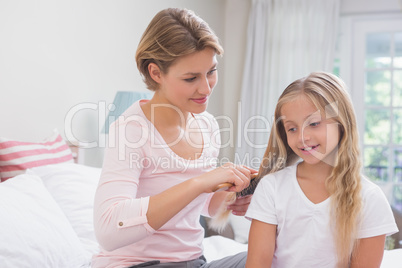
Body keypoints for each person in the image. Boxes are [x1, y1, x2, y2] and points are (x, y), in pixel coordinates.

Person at [92, 8, 254, 268]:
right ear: (156, 73)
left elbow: (205, 206)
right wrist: (200, 182)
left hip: (193, 261)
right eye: (191, 78)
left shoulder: (208, 125)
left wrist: (233, 195)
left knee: (272, 257)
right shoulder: (131, 130)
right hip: (135, 264)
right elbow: (109, 229)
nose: (206, 88)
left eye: (211, 71)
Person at [245, 72, 399, 268]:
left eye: (314, 124)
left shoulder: (369, 198)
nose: (302, 137)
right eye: (292, 128)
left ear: (342, 123)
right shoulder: (272, 187)